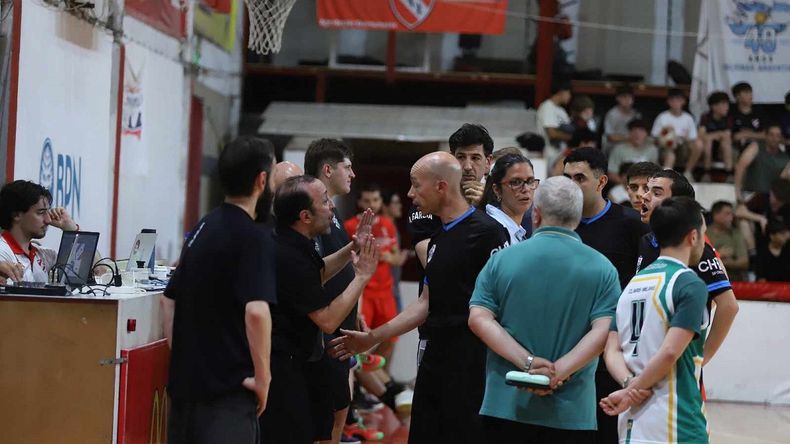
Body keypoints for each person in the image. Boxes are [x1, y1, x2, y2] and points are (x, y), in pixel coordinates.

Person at [330, 151, 510, 444]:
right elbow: (426, 302)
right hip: (434, 358)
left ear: (441, 186)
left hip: (472, 363)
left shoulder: (489, 233)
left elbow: (504, 305)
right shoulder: (438, 238)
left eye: (416, 184)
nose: (410, 193)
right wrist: (371, 337)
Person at [469, 176, 621, 444]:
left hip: (505, 406)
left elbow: (479, 318)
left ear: (535, 215)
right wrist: (558, 371)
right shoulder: (603, 268)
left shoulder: (502, 260)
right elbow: (603, 332)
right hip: (572, 414)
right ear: (578, 216)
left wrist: (526, 362)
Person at [162, 136, 276, 444]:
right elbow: (256, 311)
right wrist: (263, 379)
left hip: (186, 394)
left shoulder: (202, 227)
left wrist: (189, 357)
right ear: (262, 180)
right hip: (228, 398)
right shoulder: (253, 237)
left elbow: (168, 300)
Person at [260, 175, 379, 444]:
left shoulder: (294, 242)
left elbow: (318, 273)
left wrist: (354, 246)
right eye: (324, 201)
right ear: (305, 216)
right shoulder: (288, 255)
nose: (332, 207)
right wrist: (361, 277)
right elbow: (327, 320)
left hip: (305, 362)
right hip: (286, 369)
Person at [601, 197, 710, 444]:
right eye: (704, 233)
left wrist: (630, 385)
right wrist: (631, 391)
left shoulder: (631, 285)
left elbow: (611, 350)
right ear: (693, 237)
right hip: (676, 422)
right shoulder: (689, 284)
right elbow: (670, 352)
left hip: (631, 422)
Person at [302, 139, 388, 444]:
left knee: (339, 411)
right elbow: (315, 275)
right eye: (347, 167)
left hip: (341, 331)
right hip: (324, 337)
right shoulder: (315, 216)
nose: (352, 173)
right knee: (327, 421)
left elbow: (341, 270)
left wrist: (356, 316)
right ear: (328, 169)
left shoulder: (333, 214)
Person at [562, 148, 649, 443]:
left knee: (606, 429)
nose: (571, 185)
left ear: (601, 182)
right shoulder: (556, 225)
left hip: (612, 348)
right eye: (566, 178)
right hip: (565, 344)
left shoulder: (630, 224)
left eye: (579, 178)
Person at [637, 170, 739, 367]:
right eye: (646, 190)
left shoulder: (696, 249)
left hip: (678, 368)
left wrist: (702, 359)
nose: (645, 196)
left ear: (677, 204)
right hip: (644, 360)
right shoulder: (645, 241)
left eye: (656, 193)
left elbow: (729, 306)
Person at [344, 184, 400, 367]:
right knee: (362, 336)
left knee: (390, 338)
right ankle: (366, 382)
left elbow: (397, 257)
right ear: (359, 202)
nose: (372, 204)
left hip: (386, 291)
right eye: (367, 200)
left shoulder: (388, 225)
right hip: (364, 291)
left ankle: (381, 381)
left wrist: (387, 256)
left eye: (375, 200)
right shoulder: (350, 225)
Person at [0, 180, 88, 283]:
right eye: (41, 212)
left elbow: (99, 269)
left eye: (48, 212)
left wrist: (72, 229)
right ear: (16, 215)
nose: (48, 220)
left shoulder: (45, 255)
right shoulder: (2, 251)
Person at [476, 153, 538, 244]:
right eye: (516, 182)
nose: (526, 189)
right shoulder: (492, 230)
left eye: (530, 181)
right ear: (497, 190)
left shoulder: (517, 230)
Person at [651, 88, 703, 178]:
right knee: (670, 151)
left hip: (684, 147)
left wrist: (684, 139)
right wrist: (666, 134)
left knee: (699, 144)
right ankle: (666, 177)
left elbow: (692, 138)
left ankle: (688, 172)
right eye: (673, 100)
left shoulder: (688, 118)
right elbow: (654, 137)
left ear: (683, 101)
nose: (676, 103)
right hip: (666, 148)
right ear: (668, 102)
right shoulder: (662, 117)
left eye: (678, 100)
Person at [734, 123, 790, 204]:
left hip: (771, 200)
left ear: (781, 138)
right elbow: (740, 167)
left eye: (778, 136)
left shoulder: (785, 158)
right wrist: (738, 194)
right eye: (771, 135)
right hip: (751, 195)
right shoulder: (756, 147)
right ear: (766, 136)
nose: (774, 138)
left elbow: (783, 181)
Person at [450, 123, 494, 207]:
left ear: (487, 162)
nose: (467, 167)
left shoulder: (501, 201)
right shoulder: (435, 197)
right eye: (461, 157)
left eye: (475, 158)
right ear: (451, 159)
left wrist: (484, 206)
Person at [381, 189, 411, 313]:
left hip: (393, 286)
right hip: (384, 288)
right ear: (385, 206)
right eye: (395, 202)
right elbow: (386, 257)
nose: (399, 206)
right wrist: (402, 255)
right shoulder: (382, 228)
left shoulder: (392, 227)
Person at [608, 119, 660, 185]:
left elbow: (655, 173)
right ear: (629, 133)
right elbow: (611, 174)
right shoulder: (619, 149)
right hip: (624, 186)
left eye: (641, 131)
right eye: (634, 131)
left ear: (647, 134)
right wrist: (626, 185)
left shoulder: (652, 149)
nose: (637, 135)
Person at [708, 201, 749, 281]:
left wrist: (717, 261)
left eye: (731, 214)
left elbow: (744, 262)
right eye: (727, 214)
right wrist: (719, 255)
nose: (731, 218)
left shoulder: (736, 234)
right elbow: (698, 261)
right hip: (709, 280)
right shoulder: (704, 234)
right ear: (716, 215)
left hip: (733, 281)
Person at [697, 91, 734, 177]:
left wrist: (712, 136)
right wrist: (718, 134)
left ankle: (729, 173)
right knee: (708, 142)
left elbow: (727, 135)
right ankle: (706, 173)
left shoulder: (728, 117)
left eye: (727, 104)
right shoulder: (705, 117)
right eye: (723, 104)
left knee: (725, 143)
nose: (726, 107)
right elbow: (701, 135)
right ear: (714, 106)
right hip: (708, 147)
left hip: (721, 148)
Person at [536, 80, 573, 165]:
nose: (570, 97)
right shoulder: (547, 107)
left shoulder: (561, 110)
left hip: (561, 153)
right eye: (568, 93)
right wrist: (573, 137)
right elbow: (552, 134)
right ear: (562, 91)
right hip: (551, 155)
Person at [603, 84, 642, 155]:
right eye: (624, 97)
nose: (627, 100)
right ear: (618, 98)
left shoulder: (636, 114)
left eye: (630, 97)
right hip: (615, 147)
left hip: (632, 146)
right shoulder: (612, 114)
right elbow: (610, 137)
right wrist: (629, 138)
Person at [730, 82, 765, 148]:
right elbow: (734, 136)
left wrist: (746, 134)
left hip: (758, 146)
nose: (750, 95)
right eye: (746, 93)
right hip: (736, 146)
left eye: (750, 92)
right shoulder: (731, 113)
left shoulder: (759, 111)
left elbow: (767, 134)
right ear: (737, 97)